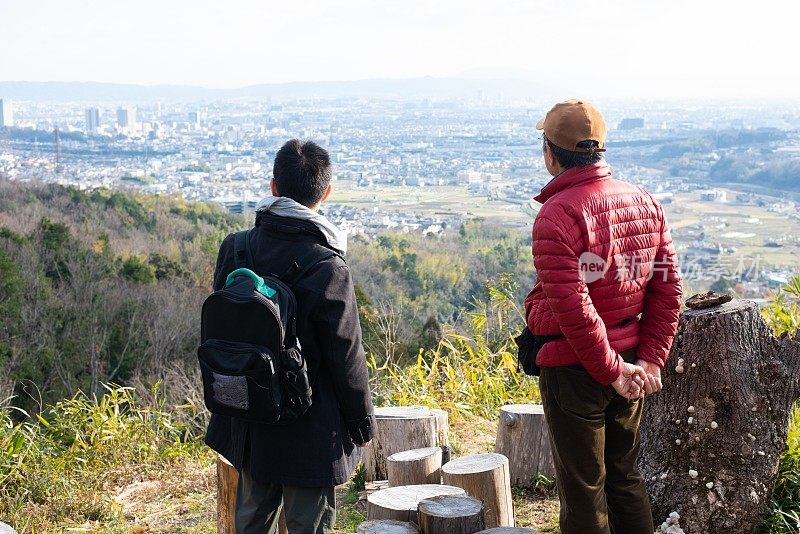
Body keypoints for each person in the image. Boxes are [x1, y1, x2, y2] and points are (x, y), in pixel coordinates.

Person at [524, 100, 682, 533]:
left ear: (550, 152)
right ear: (600, 150)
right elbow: (667, 287)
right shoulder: (644, 201)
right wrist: (648, 361)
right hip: (631, 362)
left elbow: (573, 307)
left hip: (578, 368)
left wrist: (611, 370)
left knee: (582, 489)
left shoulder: (557, 214)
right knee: (625, 478)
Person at [205, 139, 375, 533]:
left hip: (252, 415)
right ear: (326, 193)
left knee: (250, 521)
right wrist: (360, 421)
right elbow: (346, 353)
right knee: (308, 525)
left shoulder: (236, 248)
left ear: (273, 186)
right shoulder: (327, 265)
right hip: (309, 424)